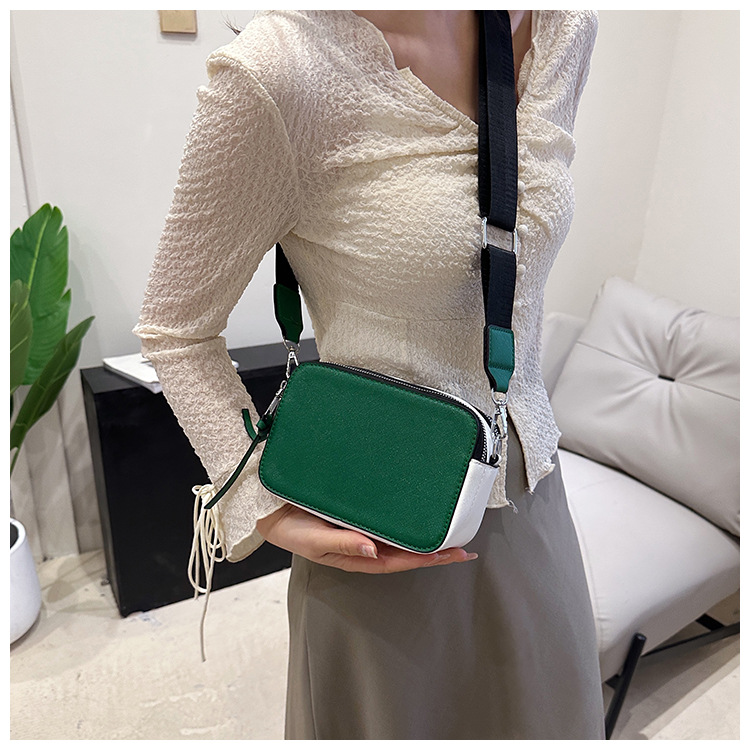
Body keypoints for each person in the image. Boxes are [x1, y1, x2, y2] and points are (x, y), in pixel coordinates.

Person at [135, 9, 604, 740]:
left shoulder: (557, 28)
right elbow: (176, 327)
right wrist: (260, 500)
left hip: (533, 501)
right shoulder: (282, 70)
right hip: (381, 526)